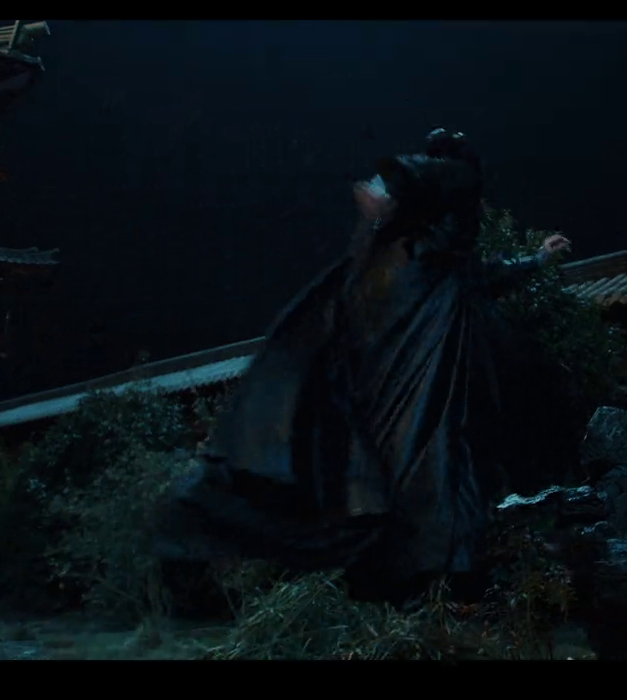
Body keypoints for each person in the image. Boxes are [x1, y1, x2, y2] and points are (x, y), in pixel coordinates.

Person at [159, 129, 571, 601]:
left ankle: (442, 584)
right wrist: (391, 188)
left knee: (438, 476)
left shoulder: (437, 257)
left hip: (440, 391)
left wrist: (536, 258)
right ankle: (433, 584)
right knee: (421, 476)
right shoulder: (417, 253)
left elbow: (477, 269)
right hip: (421, 396)